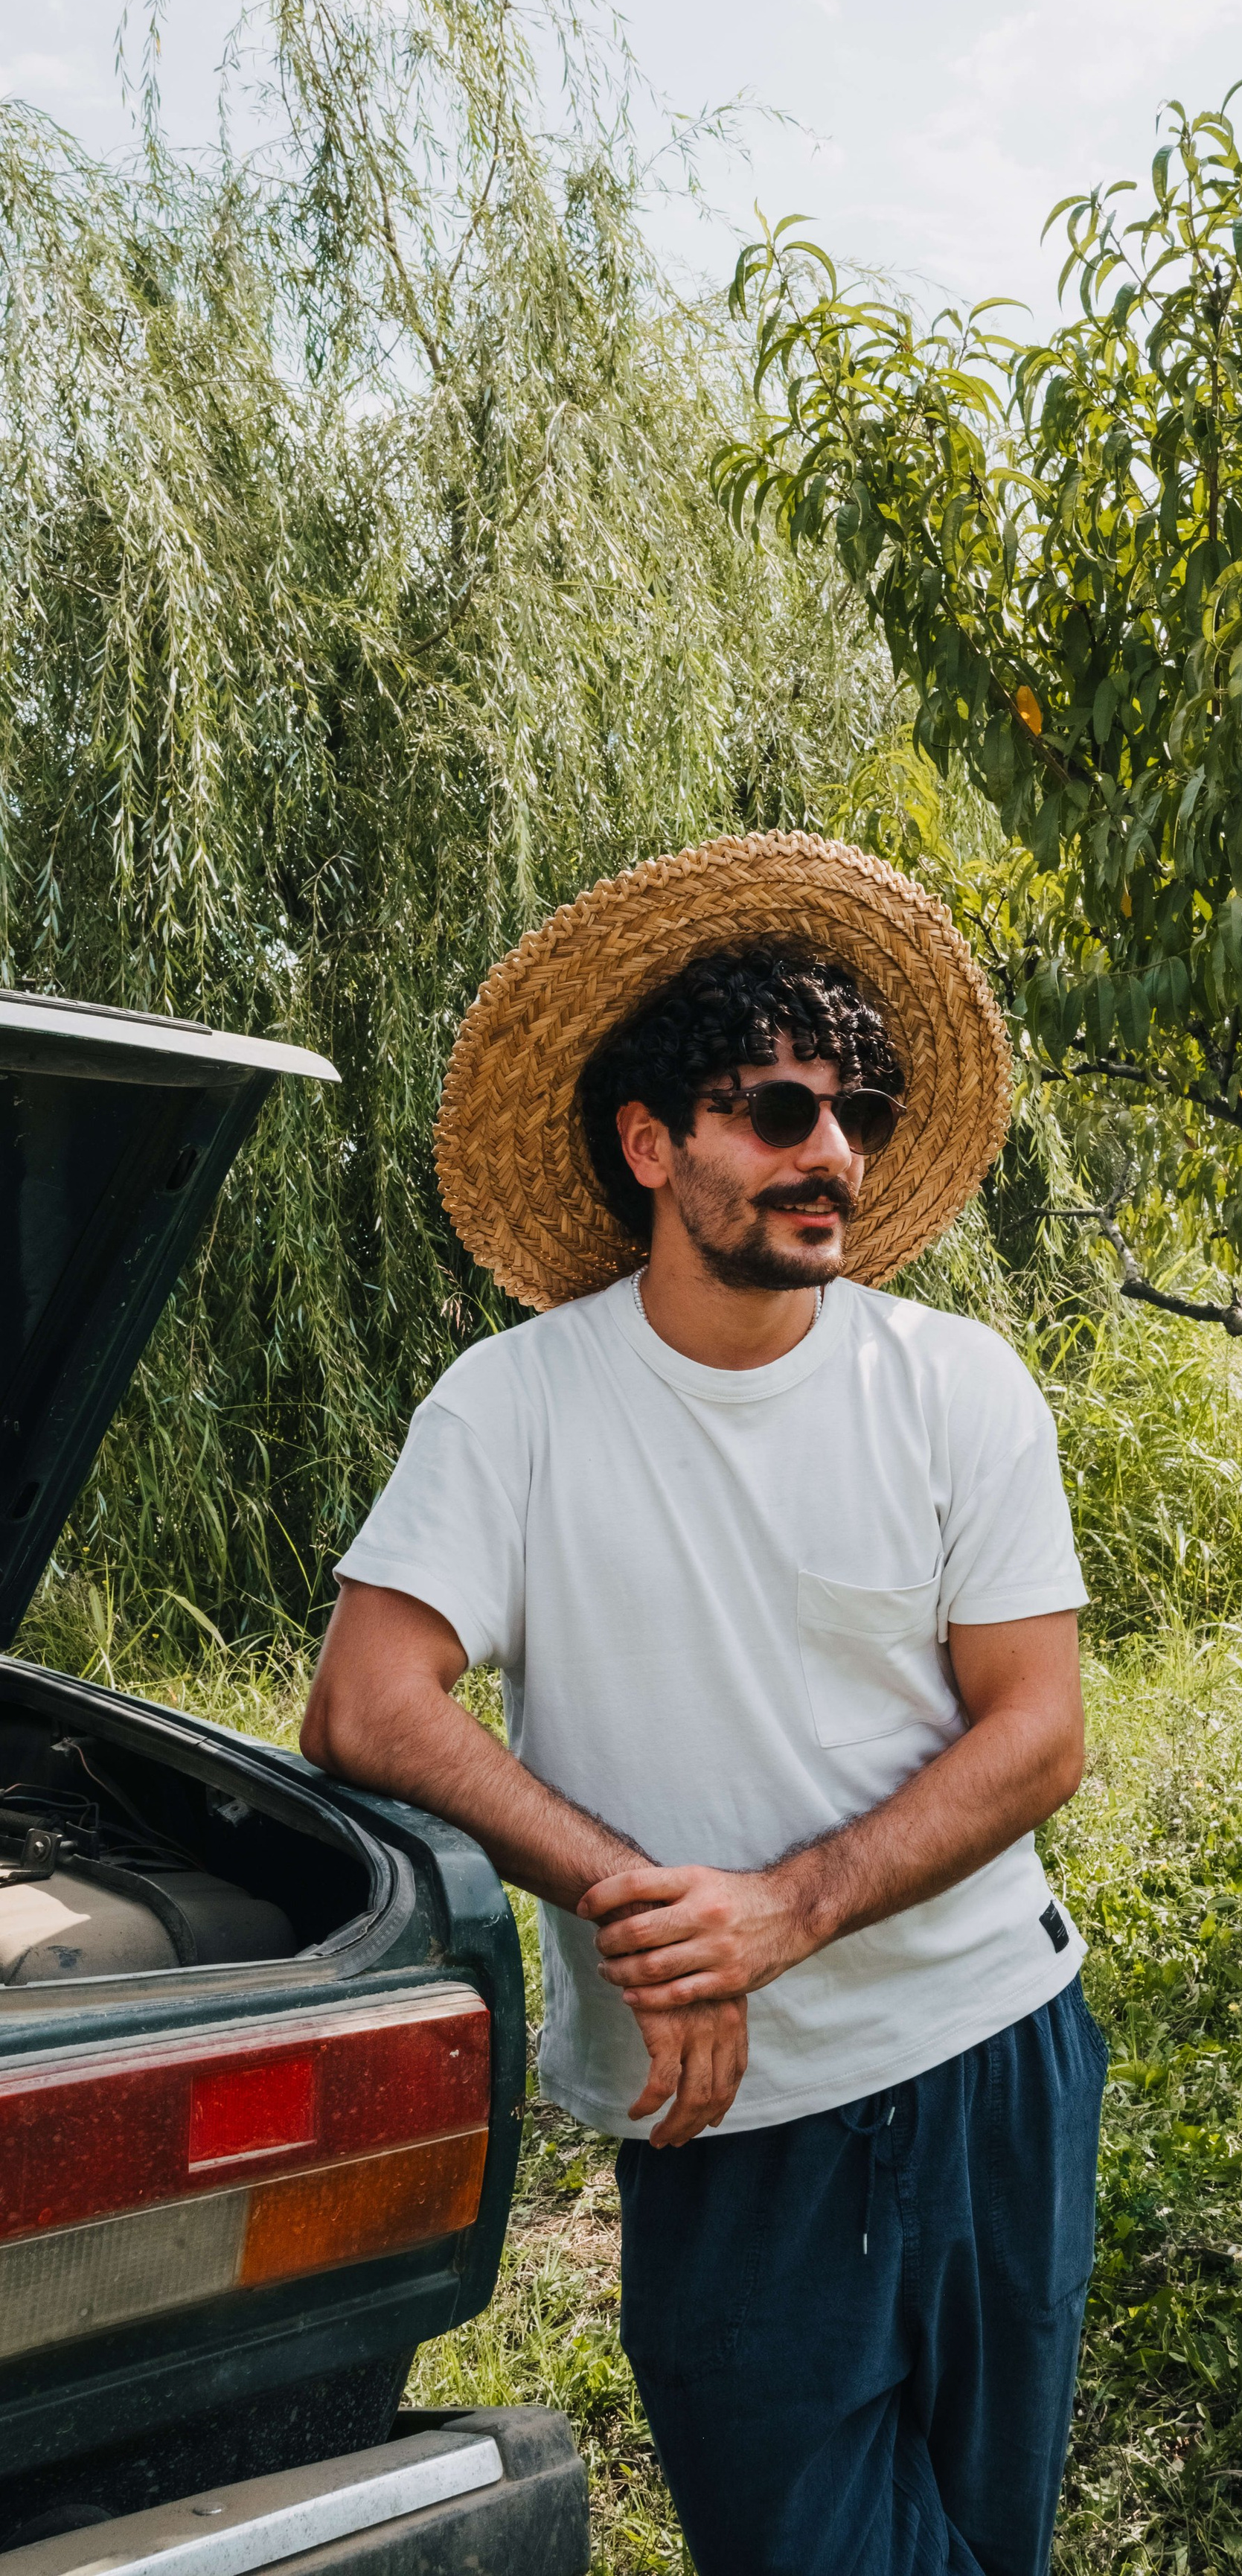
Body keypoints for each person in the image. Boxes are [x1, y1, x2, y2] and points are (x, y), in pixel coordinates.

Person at [301, 831, 1106, 2576]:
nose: (830, 1153)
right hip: (721, 2117)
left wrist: (781, 1909)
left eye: (855, 1116)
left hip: (989, 2057)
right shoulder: (513, 1409)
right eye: (776, 1108)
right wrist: (645, 1909)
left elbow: (1036, 1728)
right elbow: (369, 1702)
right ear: (649, 1143)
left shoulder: (953, 1386)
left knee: (989, 2545)